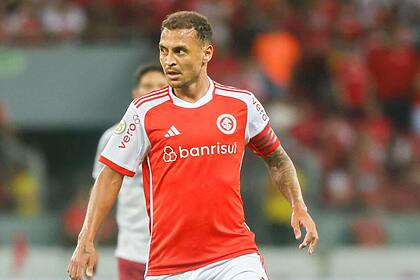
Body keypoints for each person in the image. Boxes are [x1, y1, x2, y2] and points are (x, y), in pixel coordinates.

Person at [68, 11, 318, 280]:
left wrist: (298, 204)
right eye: (163, 51)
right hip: (169, 266)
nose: (169, 61)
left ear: (206, 53)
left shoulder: (241, 104)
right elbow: (110, 176)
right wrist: (86, 238)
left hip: (233, 256)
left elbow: (278, 159)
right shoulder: (144, 111)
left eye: (180, 51)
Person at [92, 64, 167, 280]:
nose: (153, 91)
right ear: (136, 94)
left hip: (175, 253)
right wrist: (89, 243)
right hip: (132, 251)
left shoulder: (183, 136)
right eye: (147, 86)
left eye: (161, 86)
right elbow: (100, 193)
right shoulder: (113, 138)